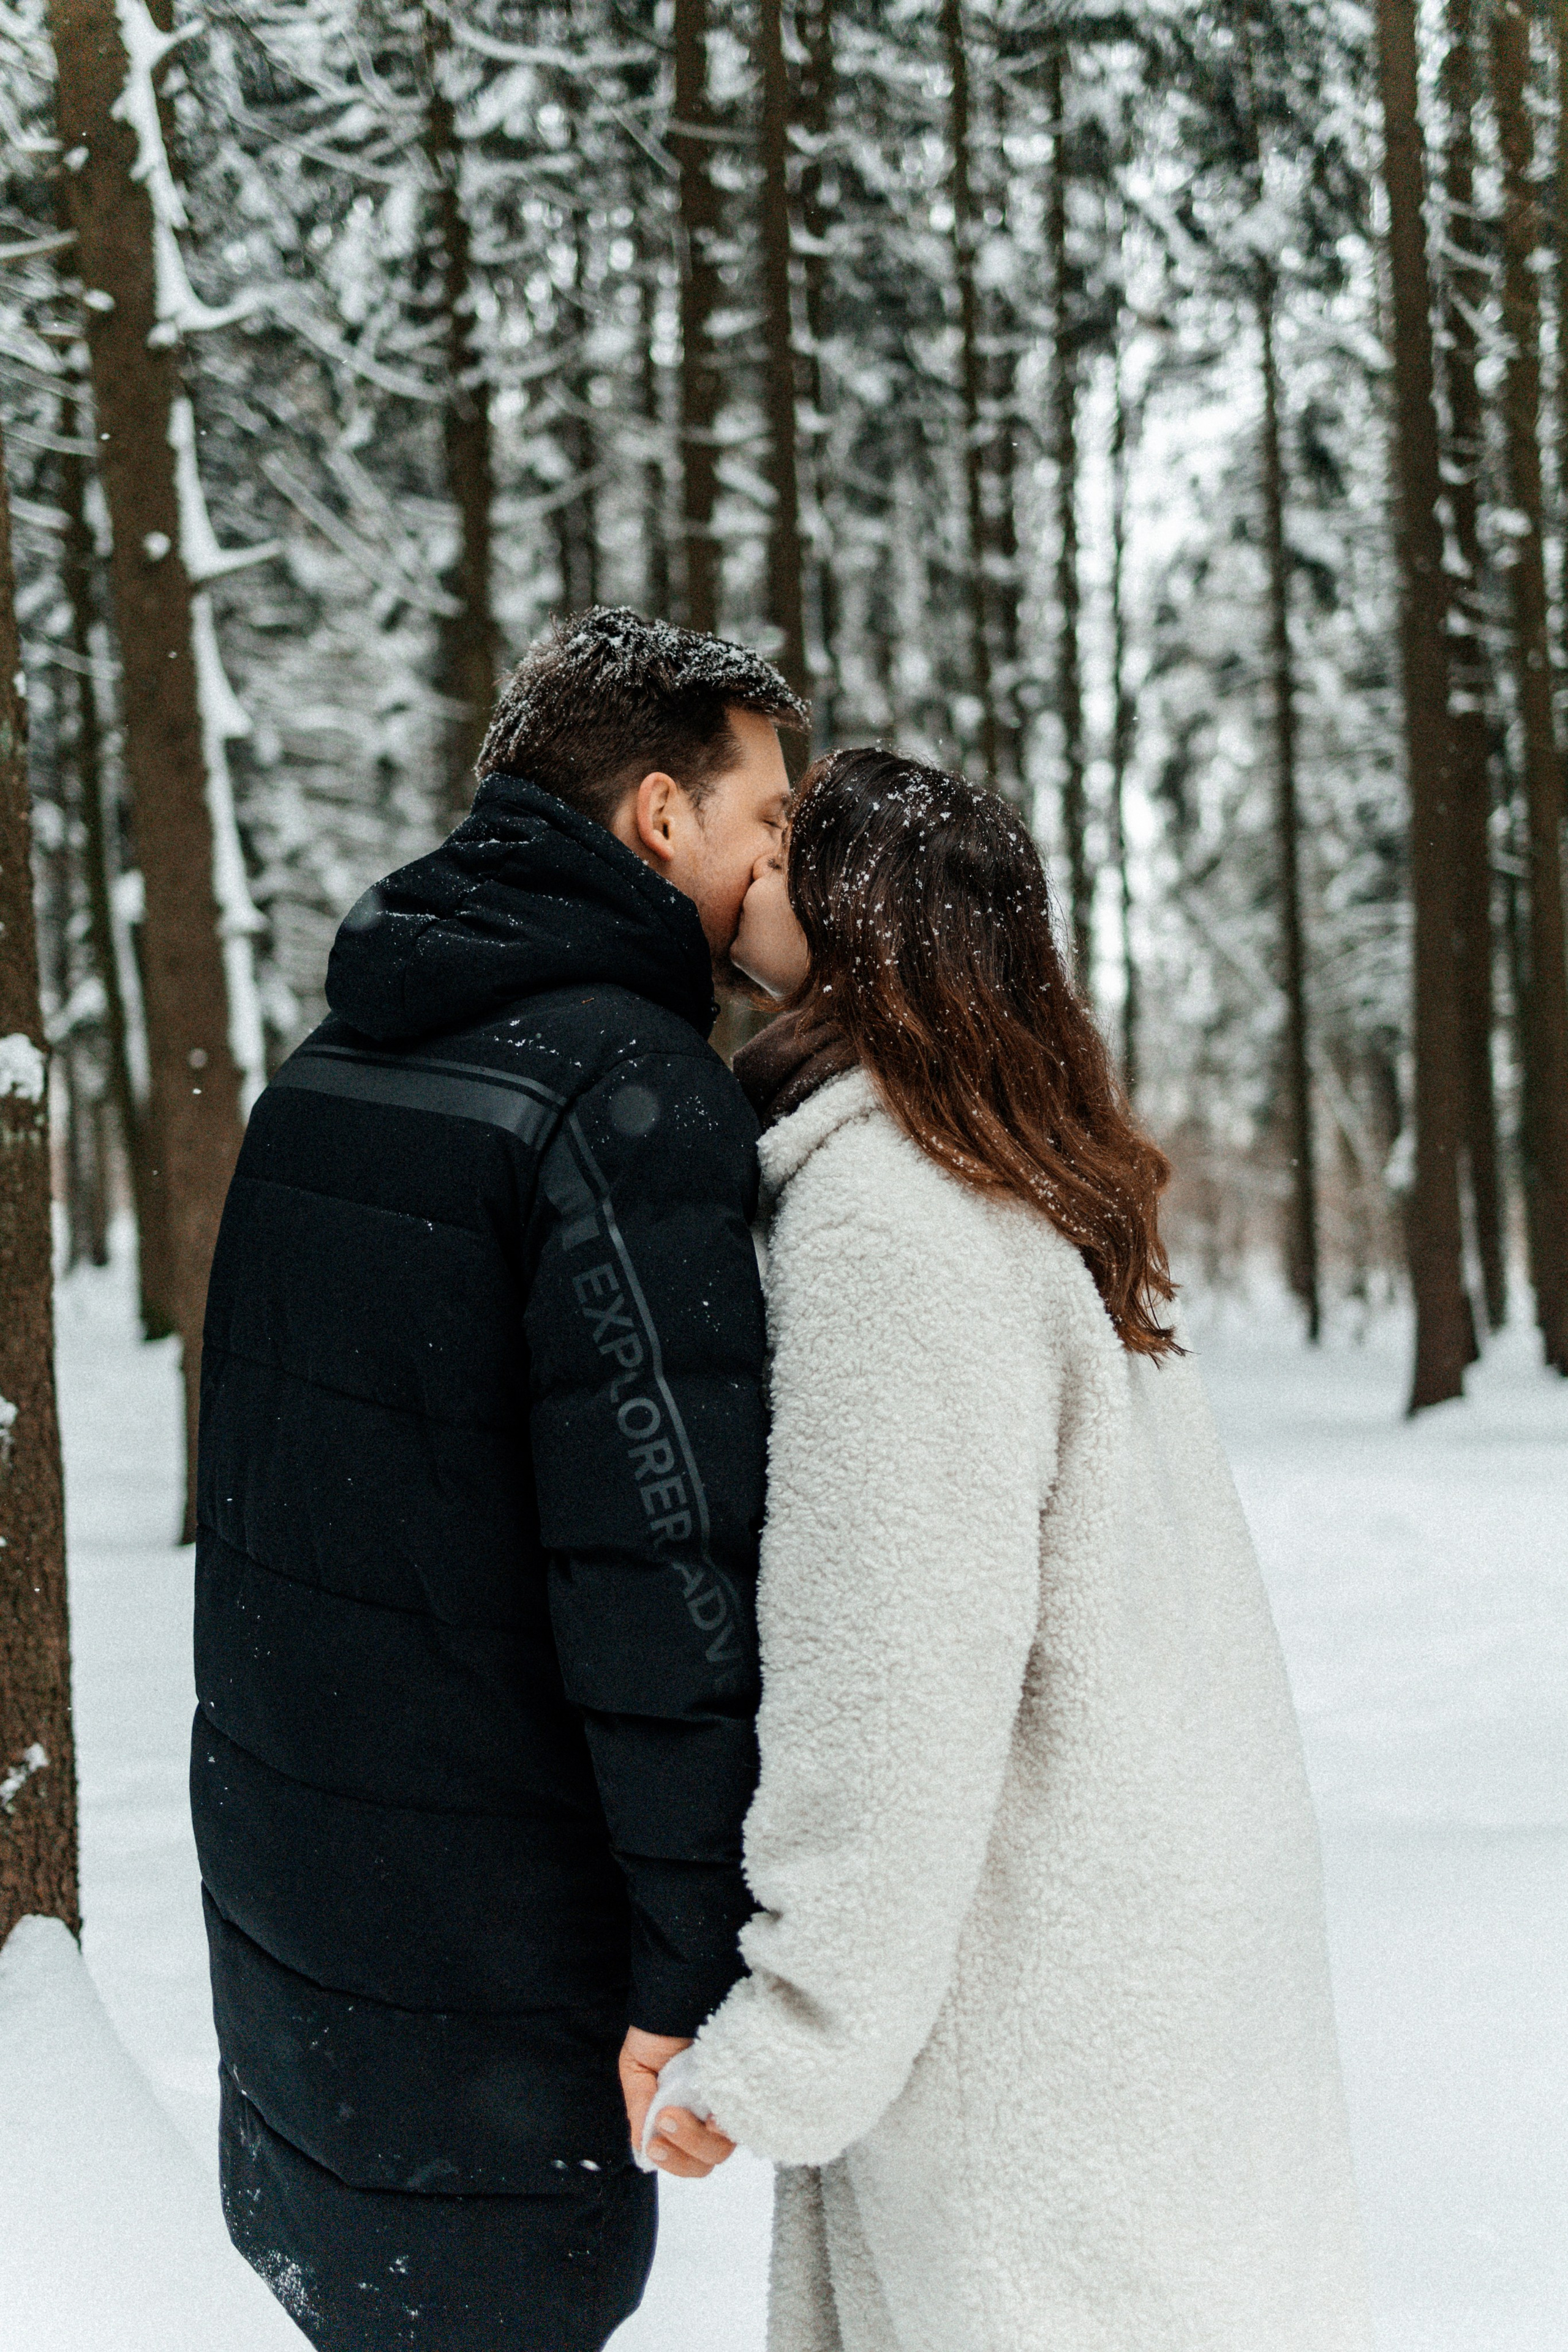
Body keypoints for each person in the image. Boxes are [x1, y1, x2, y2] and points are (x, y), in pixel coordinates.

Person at [638, 748, 1373, 2350]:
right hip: (1163, 1969)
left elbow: (894, 1678)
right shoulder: (1041, 1179)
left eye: (774, 853)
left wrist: (794, 2038)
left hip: (1038, 2037)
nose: (731, 876)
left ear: (845, 924)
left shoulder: (893, 1217)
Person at [191, 608, 801, 2350]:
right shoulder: (627, 1094)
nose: (784, 864)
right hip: (491, 1984)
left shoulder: (332, 1066)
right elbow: (664, 1585)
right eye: (768, 819)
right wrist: (693, 1970)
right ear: (663, 819)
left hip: (302, 1938)